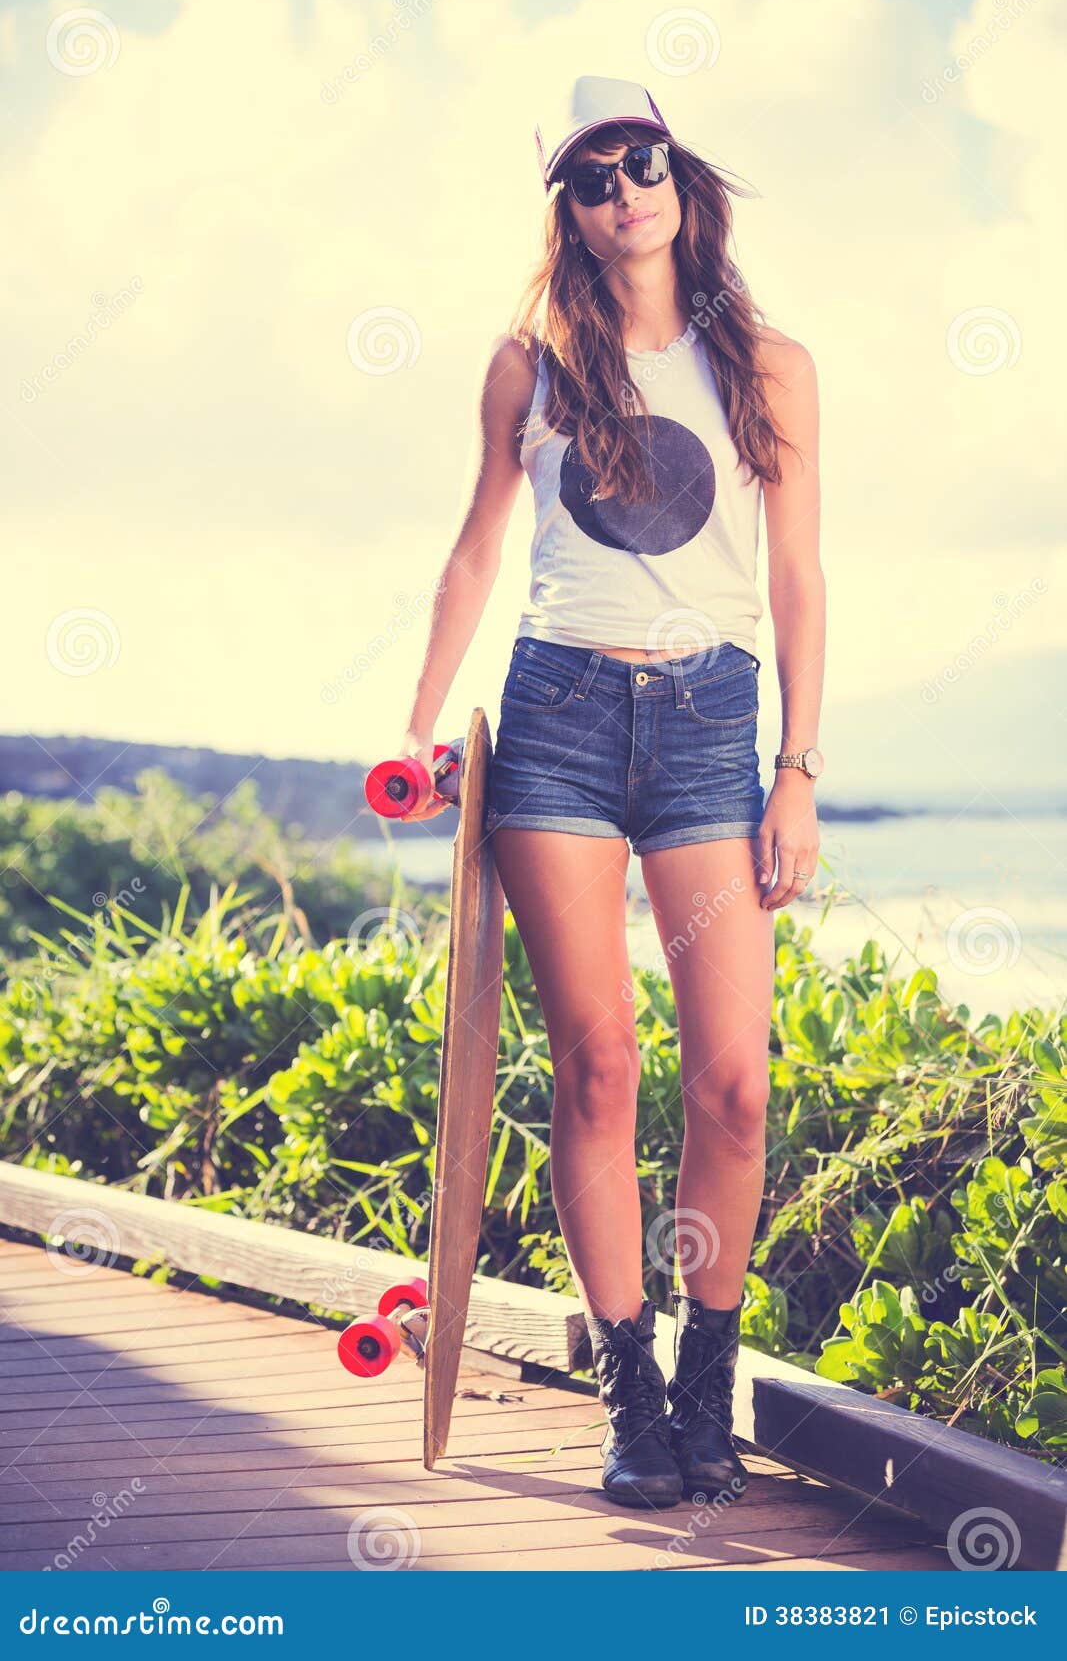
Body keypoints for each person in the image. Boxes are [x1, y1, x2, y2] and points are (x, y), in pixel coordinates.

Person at [399, 75, 824, 1508]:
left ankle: (712, 1371)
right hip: (561, 723)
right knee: (598, 1061)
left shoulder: (767, 366)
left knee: (737, 1085)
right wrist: (414, 736)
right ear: (569, 214)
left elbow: (798, 577)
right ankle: (631, 1391)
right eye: (592, 176)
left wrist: (798, 769)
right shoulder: (529, 367)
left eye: (642, 159)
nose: (624, 187)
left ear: (678, 178)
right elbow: (475, 552)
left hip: (713, 725)